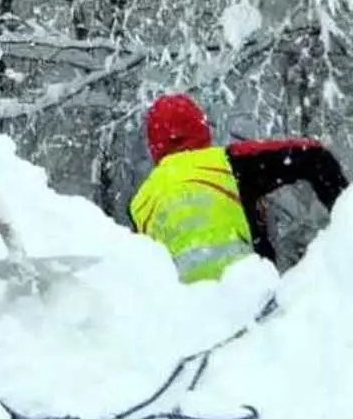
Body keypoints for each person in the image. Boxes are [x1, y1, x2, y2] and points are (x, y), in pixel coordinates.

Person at [130, 93, 348, 282]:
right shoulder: (228, 163)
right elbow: (315, 157)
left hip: (186, 317)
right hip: (251, 303)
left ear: (153, 144)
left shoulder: (141, 202)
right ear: (201, 127)